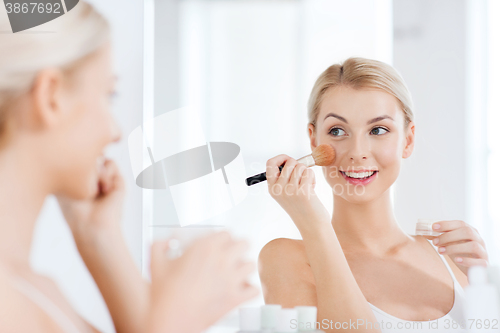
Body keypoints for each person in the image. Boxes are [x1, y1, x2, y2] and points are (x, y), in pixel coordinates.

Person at [0, 2, 258, 333]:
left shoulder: (34, 287)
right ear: (51, 97)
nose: (114, 131)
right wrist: (177, 320)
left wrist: (98, 236)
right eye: (110, 94)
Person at [258, 57, 489, 333]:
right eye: (337, 131)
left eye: (378, 130)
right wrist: (312, 222)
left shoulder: (449, 256)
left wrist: (486, 286)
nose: (357, 151)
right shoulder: (286, 259)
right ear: (313, 140)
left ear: (408, 139)